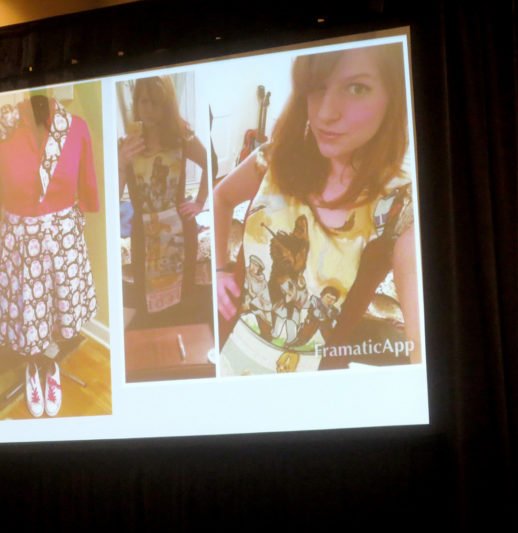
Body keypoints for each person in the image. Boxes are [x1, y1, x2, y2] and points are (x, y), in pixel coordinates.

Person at [214, 43, 420, 374]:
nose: (325, 113)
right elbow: (221, 197)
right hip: (231, 354)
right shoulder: (275, 158)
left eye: (356, 88)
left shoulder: (399, 205)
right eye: (318, 87)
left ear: (393, 96)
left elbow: (424, 351)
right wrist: (220, 269)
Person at [0, 94, 99, 417]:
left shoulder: (76, 128)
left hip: (63, 240)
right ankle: (33, 366)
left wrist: (87, 203)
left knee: (58, 311)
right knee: (29, 311)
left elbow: (87, 184)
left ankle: (50, 364)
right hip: (20, 242)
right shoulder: (5, 131)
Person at [118, 76, 209, 315]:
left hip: (181, 231)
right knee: (146, 303)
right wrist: (121, 163)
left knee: (183, 302)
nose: (149, 109)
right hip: (143, 234)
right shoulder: (127, 144)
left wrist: (200, 202)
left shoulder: (182, 137)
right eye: (144, 101)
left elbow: (210, 163)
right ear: (137, 103)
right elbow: (114, 196)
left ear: (166, 105)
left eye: (156, 102)